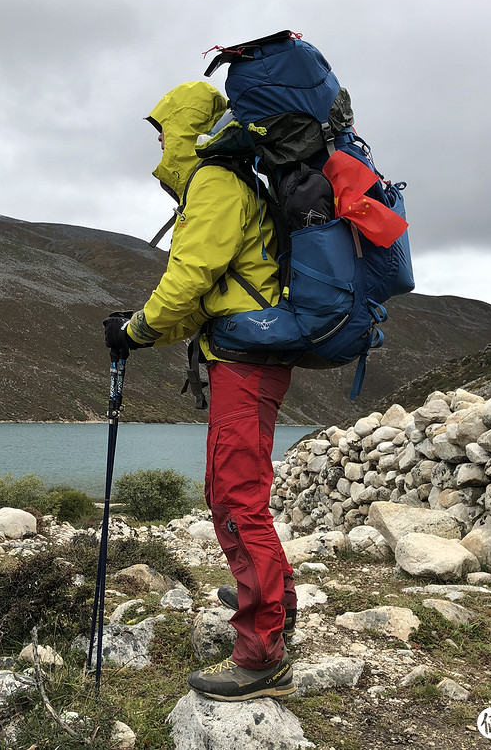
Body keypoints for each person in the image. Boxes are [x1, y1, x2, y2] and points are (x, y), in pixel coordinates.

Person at [102, 80, 297, 701]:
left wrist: (134, 331)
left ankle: (261, 654)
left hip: (245, 361)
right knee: (233, 492)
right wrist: (146, 326)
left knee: (238, 500)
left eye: (164, 131)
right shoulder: (231, 184)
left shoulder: (214, 184)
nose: (159, 144)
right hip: (248, 356)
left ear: (186, 131)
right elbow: (207, 293)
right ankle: (274, 601)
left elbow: (189, 278)